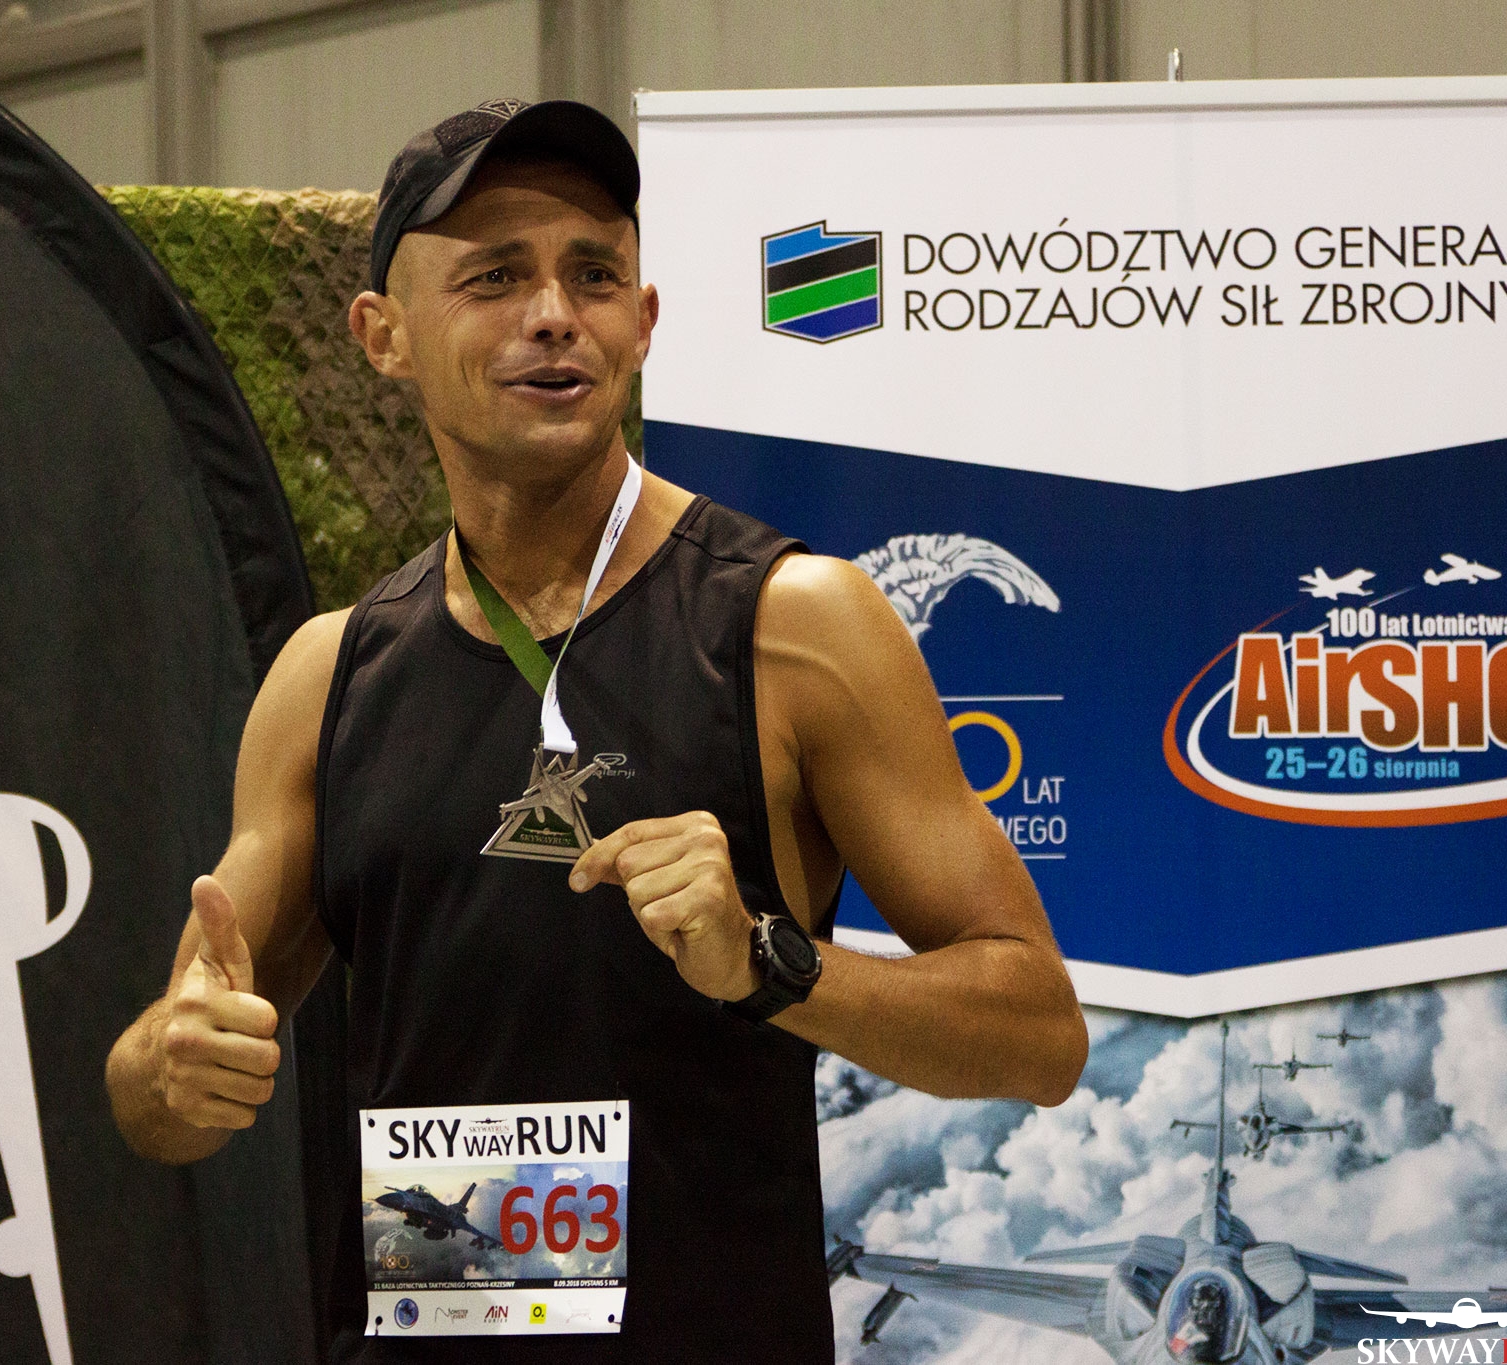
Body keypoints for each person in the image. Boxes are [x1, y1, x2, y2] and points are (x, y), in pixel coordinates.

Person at [106, 97, 1087, 1360]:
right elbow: (159, 1101)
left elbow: (1038, 1036)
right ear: (382, 334)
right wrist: (171, 1062)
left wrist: (768, 962)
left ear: (643, 322)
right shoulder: (327, 676)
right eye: (493, 277)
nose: (553, 314)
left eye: (593, 275)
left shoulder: (793, 626)